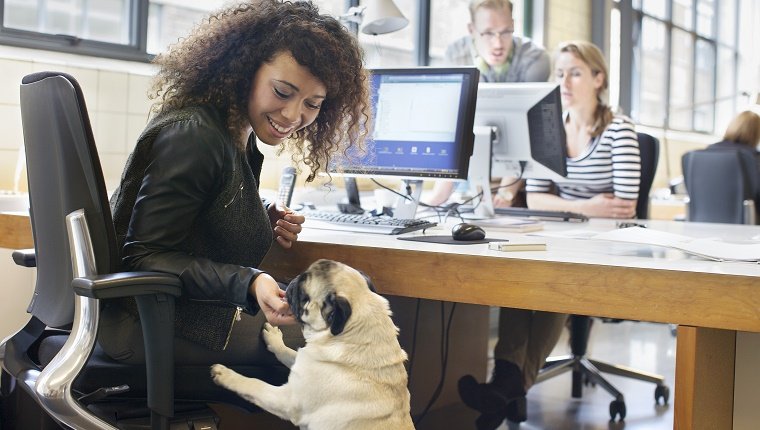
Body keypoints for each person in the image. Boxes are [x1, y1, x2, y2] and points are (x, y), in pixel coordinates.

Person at [101, 0, 370, 368]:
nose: (294, 115)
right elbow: (146, 256)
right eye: (282, 92)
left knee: (353, 314)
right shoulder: (195, 135)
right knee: (356, 335)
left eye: (313, 103)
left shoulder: (233, 134)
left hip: (172, 314)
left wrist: (258, 217)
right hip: (144, 324)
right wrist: (249, 282)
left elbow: (198, 214)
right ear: (245, 69)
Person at [458, 40, 640, 429]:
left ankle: (508, 384)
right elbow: (537, 197)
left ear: (598, 78)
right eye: (559, 74)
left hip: (605, 242)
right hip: (561, 231)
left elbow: (624, 205)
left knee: (560, 277)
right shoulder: (549, 127)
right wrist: (588, 206)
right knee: (520, 268)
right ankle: (509, 386)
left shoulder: (619, 129)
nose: (565, 81)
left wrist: (567, 207)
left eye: (575, 72)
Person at [427, 0, 550, 208]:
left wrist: (507, 192)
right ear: (471, 29)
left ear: (513, 24)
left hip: (517, 175)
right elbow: (454, 124)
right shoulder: (455, 56)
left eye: (506, 32)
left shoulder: (535, 59)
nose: (498, 43)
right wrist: (437, 196)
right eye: (488, 33)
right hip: (470, 169)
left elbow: (527, 131)